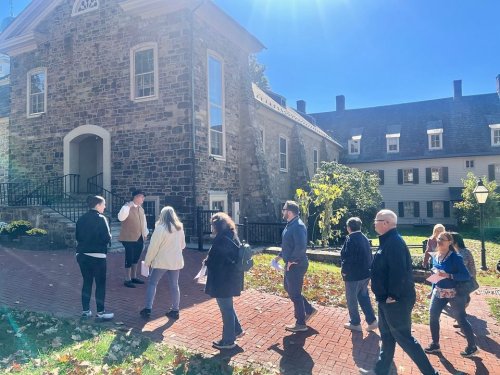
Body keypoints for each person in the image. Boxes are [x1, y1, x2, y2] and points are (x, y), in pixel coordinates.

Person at [360, 209, 438, 375]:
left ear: (386, 223)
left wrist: (392, 296)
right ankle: (380, 371)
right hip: (385, 299)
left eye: (377, 220)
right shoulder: (387, 240)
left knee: (404, 339)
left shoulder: (394, 242)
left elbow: (399, 272)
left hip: (395, 300)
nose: (374, 223)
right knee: (387, 337)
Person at [424, 231, 478, 357]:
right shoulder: (435, 255)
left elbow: (465, 275)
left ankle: (472, 347)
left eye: (442, 239)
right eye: (438, 239)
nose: (439, 241)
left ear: (450, 242)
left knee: (461, 319)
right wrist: (432, 290)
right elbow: (435, 274)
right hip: (439, 292)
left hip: (455, 293)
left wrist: (449, 275)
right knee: (433, 315)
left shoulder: (455, 257)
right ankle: (435, 344)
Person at [273, 200, 317, 333]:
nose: (282, 211)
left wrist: (291, 260)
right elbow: (288, 245)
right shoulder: (290, 224)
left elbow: (301, 246)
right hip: (291, 263)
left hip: (296, 265)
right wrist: (279, 256)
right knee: (289, 288)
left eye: (284, 209)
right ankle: (309, 309)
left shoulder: (297, 226)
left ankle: (300, 323)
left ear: (289, 212)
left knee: (295, 294)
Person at [204, 212, 245, 350]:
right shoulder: (231, 235)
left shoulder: (222, 239)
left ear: (218, 226)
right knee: (228, 306)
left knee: (226, 308)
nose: (212, 228)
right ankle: (236, 329)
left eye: (213, 225)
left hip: (223, 279)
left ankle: (228, 340)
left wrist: (208, 262)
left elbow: (218, 260)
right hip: (230, 277)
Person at [140, 206, 186, 320]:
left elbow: (153, 247)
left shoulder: (160, 228)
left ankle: (148, 309)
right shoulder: (179, 227)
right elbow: (183, 245)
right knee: (174, 285)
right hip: (175, 261)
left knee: (152, 283)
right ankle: (175, 310)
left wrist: (147, 261)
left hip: (162, 261)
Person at [75, 195, 114, 321]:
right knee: (100, 284)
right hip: (98, 256)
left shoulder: (81, 219)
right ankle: (100, 313)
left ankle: (86, 312)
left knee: (87, 282)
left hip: (82, 255)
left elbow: (77, 237)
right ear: (97, 205)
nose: (105, 206)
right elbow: (106, 238)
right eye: (103, 204)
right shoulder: (102, 218)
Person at [340, 217, 377, 332]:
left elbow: (347, 258)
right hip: (365, 274)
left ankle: (355, 322)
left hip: (353, 275)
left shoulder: (350, 239)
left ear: (348, 228)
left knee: (351, 299)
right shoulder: (364, 238)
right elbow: (370, 256)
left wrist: (344, 272)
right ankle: (372, 321)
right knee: (363, 297)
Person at [118, 190, 149, 288]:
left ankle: (134, 277)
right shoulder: (126, 207)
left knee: (136, 258)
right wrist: (128, 206)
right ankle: (127, 279)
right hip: (128, 238)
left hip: (139, 237)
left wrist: (145, 233)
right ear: (136, 197)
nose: (143, 199)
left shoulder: (141, 209)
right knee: (129, 258)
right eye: (142, 197)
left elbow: (144, 223)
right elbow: (121, 218)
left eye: (143, 197)